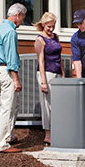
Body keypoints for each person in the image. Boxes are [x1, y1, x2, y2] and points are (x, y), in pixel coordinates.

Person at [0, 3, 27, 153]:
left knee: (14, 105)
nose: (22, 22)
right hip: (6, 71)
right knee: (7, 108)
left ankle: (9, 135)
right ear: (17, 15)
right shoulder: (10, 32)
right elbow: (11, 58)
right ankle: (2, 144)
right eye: (22, 18)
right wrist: (16, 79)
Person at [34, 12, 65, 144]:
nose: (51, 29)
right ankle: (48, 134)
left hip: (57, 72)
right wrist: (43, 82)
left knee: (57, 103)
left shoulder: (56, 37)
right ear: (43, 25)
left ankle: (57, 130)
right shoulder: (40, 40)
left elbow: (60, 56)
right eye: (49, 27)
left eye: (53, 26)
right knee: (47, 104)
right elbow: (41, 61)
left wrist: (62, 73)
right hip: (46, 73)